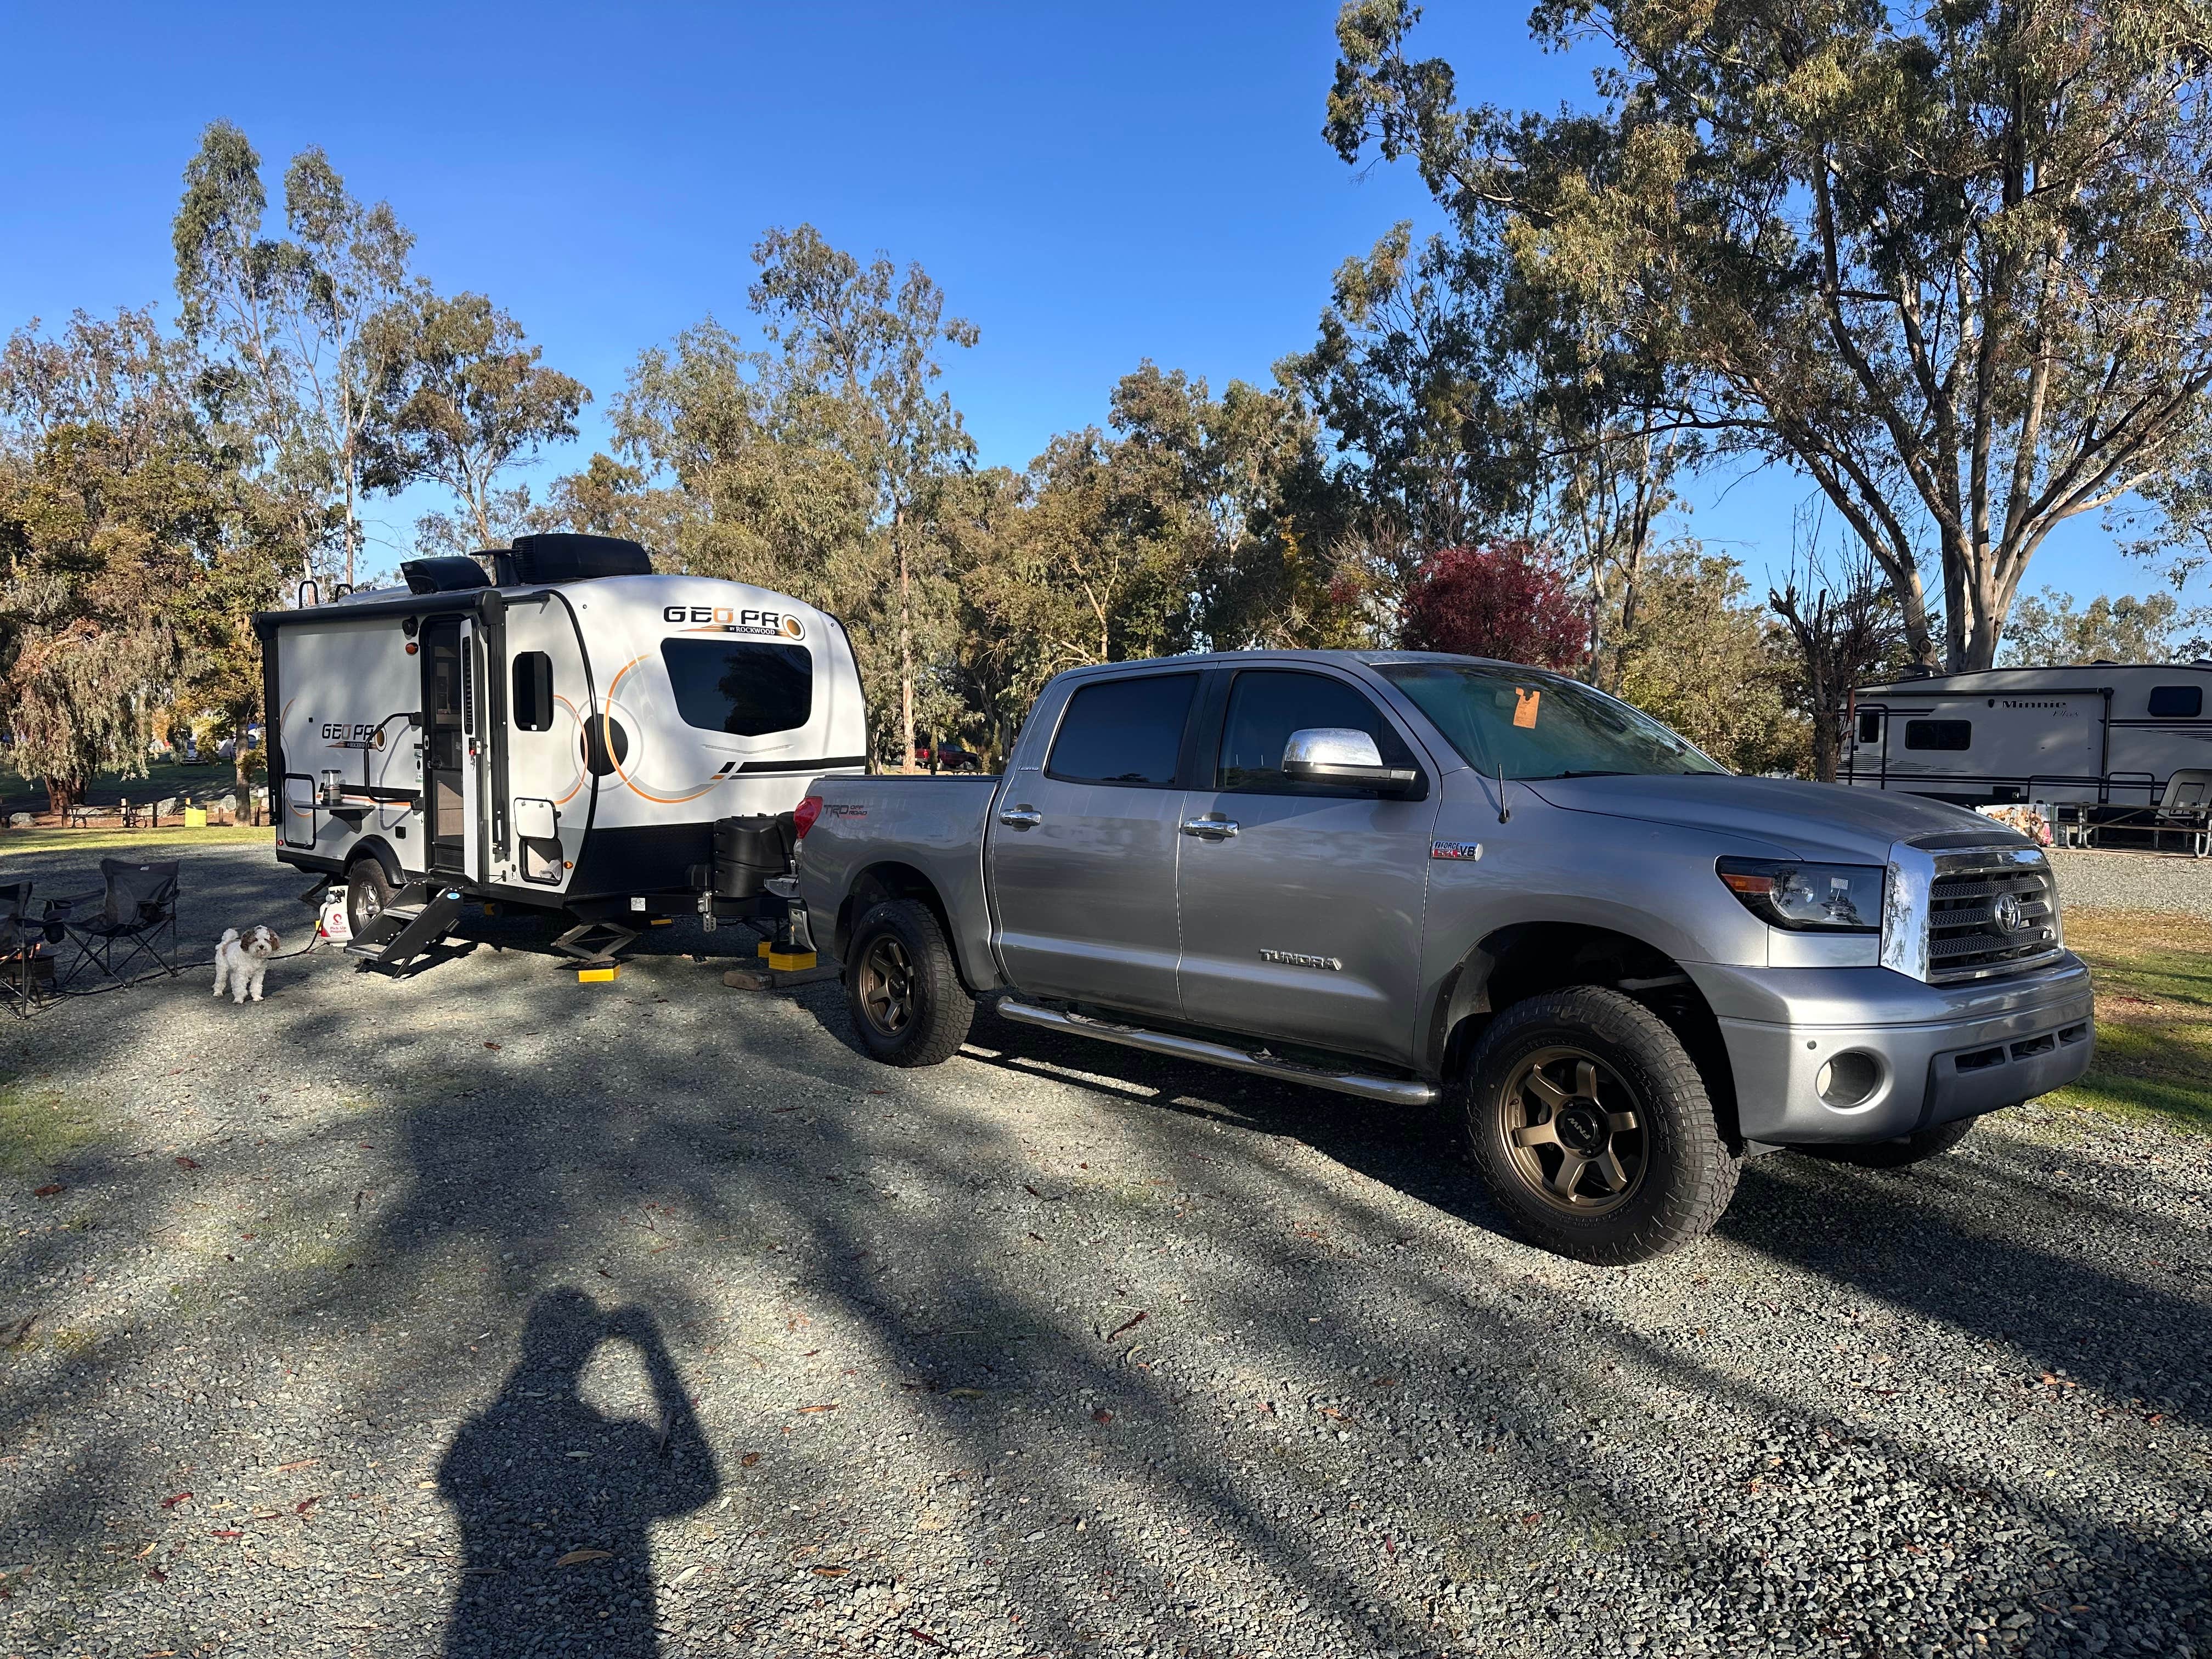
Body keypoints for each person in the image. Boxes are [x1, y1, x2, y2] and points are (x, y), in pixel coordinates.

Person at [438, 1289, 719, 1657]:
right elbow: (698, 1490)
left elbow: (454, 1483)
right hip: (620, 1626)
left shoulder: (480, 1432)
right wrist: (653, 1351)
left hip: (481, 1623)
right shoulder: (485, 1432)